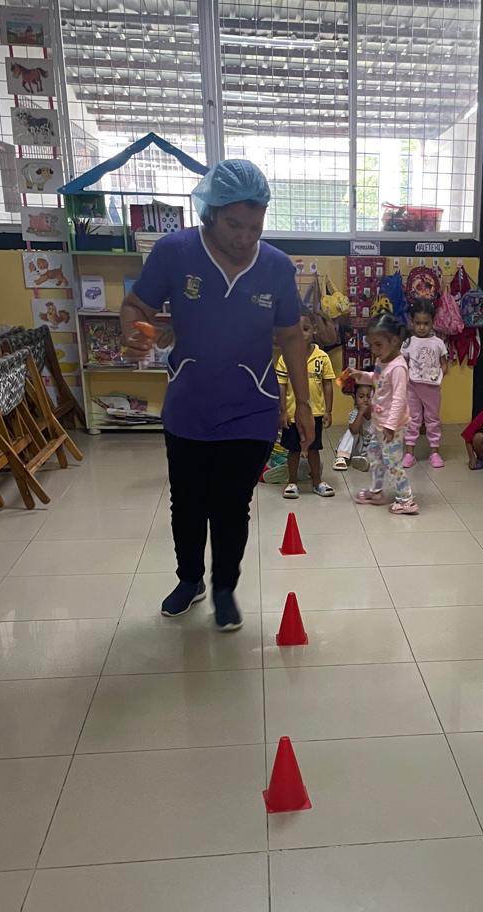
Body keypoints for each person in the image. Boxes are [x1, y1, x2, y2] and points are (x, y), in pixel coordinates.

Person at [120, 158, 314, 630]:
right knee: (187, 502)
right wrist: (133, 333)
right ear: (210, 212)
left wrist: (304, 403)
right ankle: (190, 580)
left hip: (253, 405)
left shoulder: (276, 266)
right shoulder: (175, 252)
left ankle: (225, 588)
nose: (245, 236)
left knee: (231, 505)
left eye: (255, 226)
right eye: (234, 224)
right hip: (188, 403)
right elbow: (136, 305)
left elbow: (291, 336)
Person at [352, 313, 418, 515]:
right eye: (371, 345)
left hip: (392, 426)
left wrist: (390, 425)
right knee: (374, 456)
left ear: (395, 341)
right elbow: (378, 378)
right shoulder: (382, 361)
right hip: (379, 423)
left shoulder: (398, 367)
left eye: (378, 344)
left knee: (392, 463)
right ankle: (376, 491)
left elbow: (399, 399)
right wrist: (363, 375)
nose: (374, 350)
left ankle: (406, 499)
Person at [276, 311, 335, 498]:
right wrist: (283, 412)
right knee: (293, 450)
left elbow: (327, 384)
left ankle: (317, 482)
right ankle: (292, 482)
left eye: (306, 329)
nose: (301, 334)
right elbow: (281, 386)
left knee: (314, 449)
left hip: (315, 414)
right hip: (292, 414)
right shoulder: (285, 358)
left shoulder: (322, 357)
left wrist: (328, 411)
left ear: (315, 330)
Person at [401, 299, 448, 470]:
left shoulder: (438, 343)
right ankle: (409, 453)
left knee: (432, 420)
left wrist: (439, 375)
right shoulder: (408, 342)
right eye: (418, 323)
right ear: (412, 322)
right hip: (412, 388)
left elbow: (444, 364)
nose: (422, 327)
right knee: (412, 420)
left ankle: (434, 452)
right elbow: (403, 363)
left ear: (432, 322)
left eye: (426, 323)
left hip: (432, 389)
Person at [332, 382, 372, 472]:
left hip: (368, 449)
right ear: (355, 398)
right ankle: (341, 457)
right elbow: (354, 430)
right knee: (351, 432)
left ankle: (359, 461)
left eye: (369, 397)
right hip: (355, 446)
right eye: (361, 397)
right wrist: (360, 413)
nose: (365, 400)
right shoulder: (355, 413)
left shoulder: (377, 414)